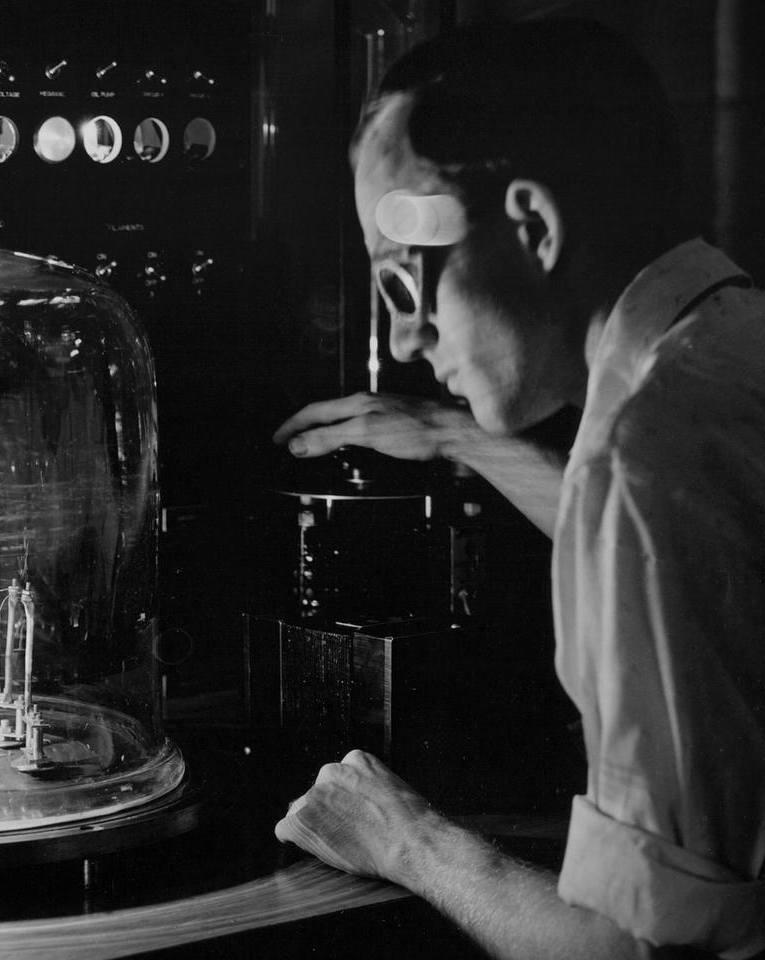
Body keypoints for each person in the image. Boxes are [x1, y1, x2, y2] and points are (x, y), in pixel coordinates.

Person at [271, 18, 765, 960]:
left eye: (406, 279)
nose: (407, 339)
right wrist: (453, 436)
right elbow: (690, 545)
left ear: (533, 224)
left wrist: (410, 842)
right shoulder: (729, 352)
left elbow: (641, 953)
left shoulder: (642, 459)